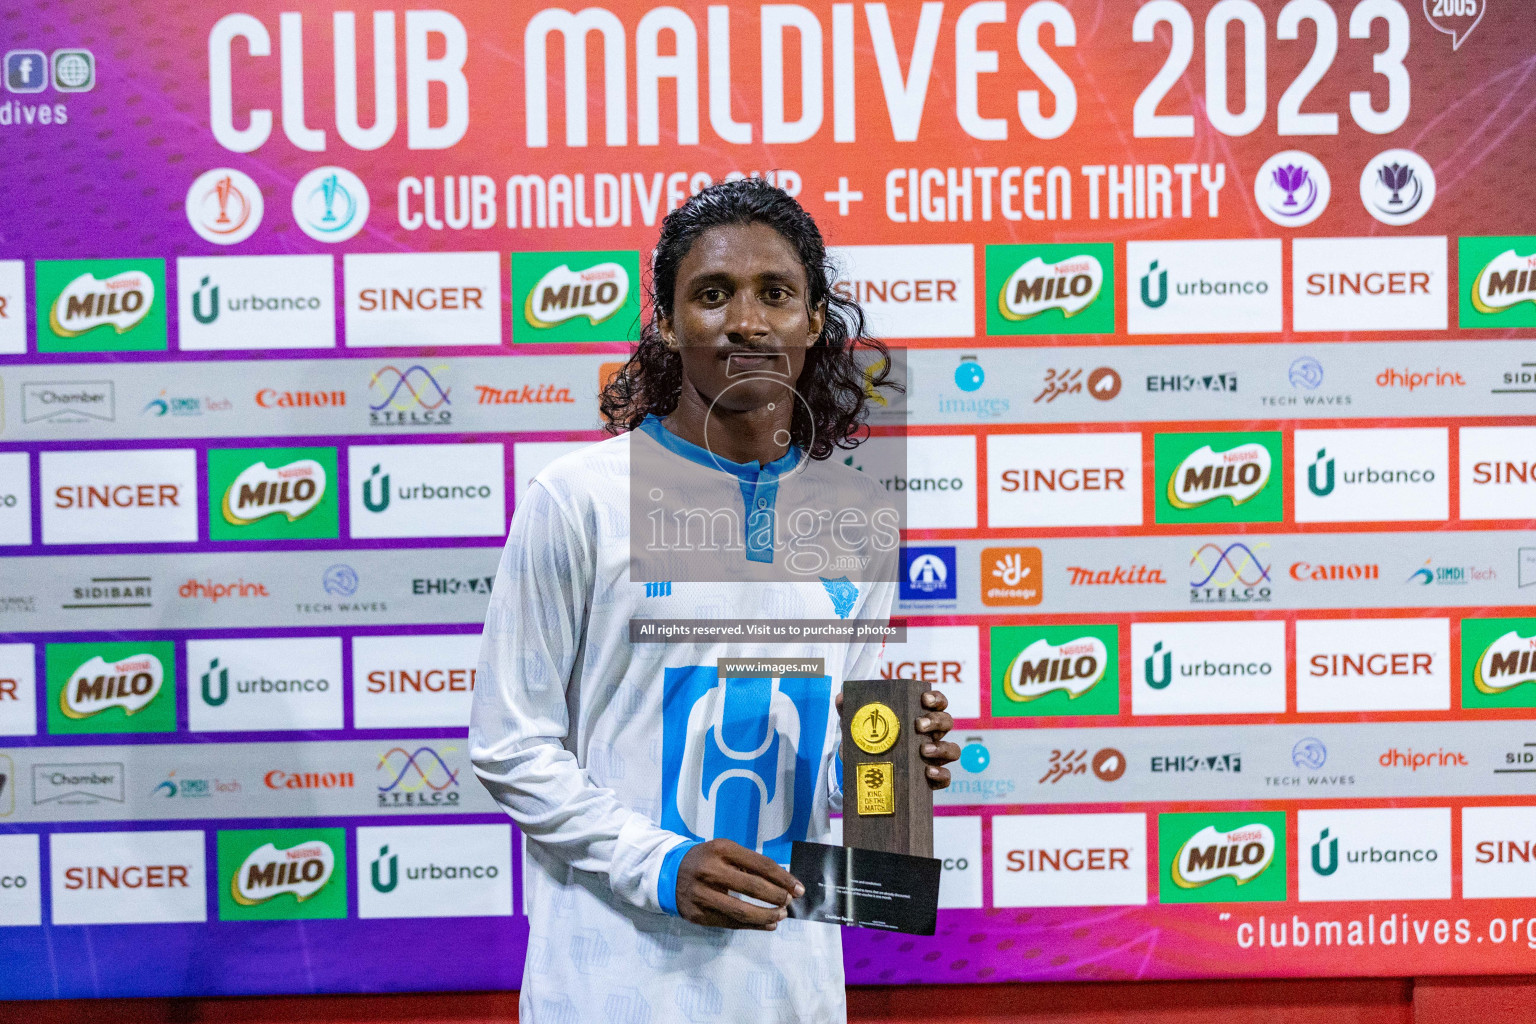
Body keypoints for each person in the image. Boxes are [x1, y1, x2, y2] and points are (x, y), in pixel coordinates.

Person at [470, 178, 960, 1023]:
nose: (746, 320)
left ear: (814, 321)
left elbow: (834, 767)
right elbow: (510, 745)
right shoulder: (578, 497)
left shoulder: (860, 519)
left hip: (789, 988)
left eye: (776, 293)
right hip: (608, 985)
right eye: (712, 294)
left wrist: (890, 764)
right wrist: (657, 863)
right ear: (665, 322)